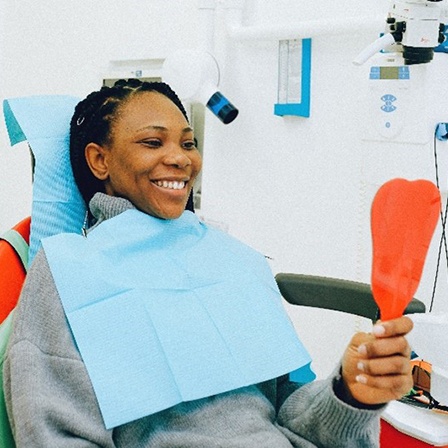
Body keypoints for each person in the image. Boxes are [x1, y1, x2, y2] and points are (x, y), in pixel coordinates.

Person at [3, 79, 413, 447]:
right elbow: (54, 433)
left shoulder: (235, 260)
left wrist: (350, 392)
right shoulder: (69, 271)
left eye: (187, 143)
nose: (181, 159)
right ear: (100, 160)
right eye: (152, 142)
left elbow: (295, 414)